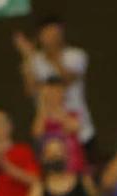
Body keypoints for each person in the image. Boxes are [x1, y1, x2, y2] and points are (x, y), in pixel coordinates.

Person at [17, 16, 95, 145]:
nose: (51, 38)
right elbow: (30, 91)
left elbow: (67, 80)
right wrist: (27, 57)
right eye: (47, 34)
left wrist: (52, 55)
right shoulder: (34, 60)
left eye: (54, 34)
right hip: (48, 132)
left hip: (79, 128)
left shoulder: (75, 55)